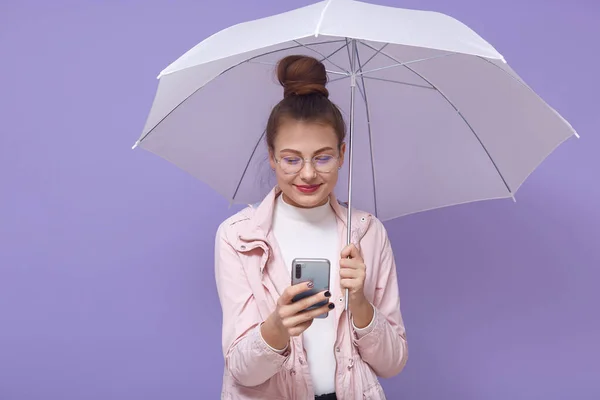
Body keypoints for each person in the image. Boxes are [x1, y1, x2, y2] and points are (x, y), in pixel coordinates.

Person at [214, 54, 408, 400]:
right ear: (271, 156)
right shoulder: (238, 237)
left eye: (323, 157)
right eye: (290, 159)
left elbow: (392, 364)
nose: (307, 174)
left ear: (342, 154)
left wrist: (361, 303)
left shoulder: (367, 232)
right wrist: (277, 327)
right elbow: (242, 371)